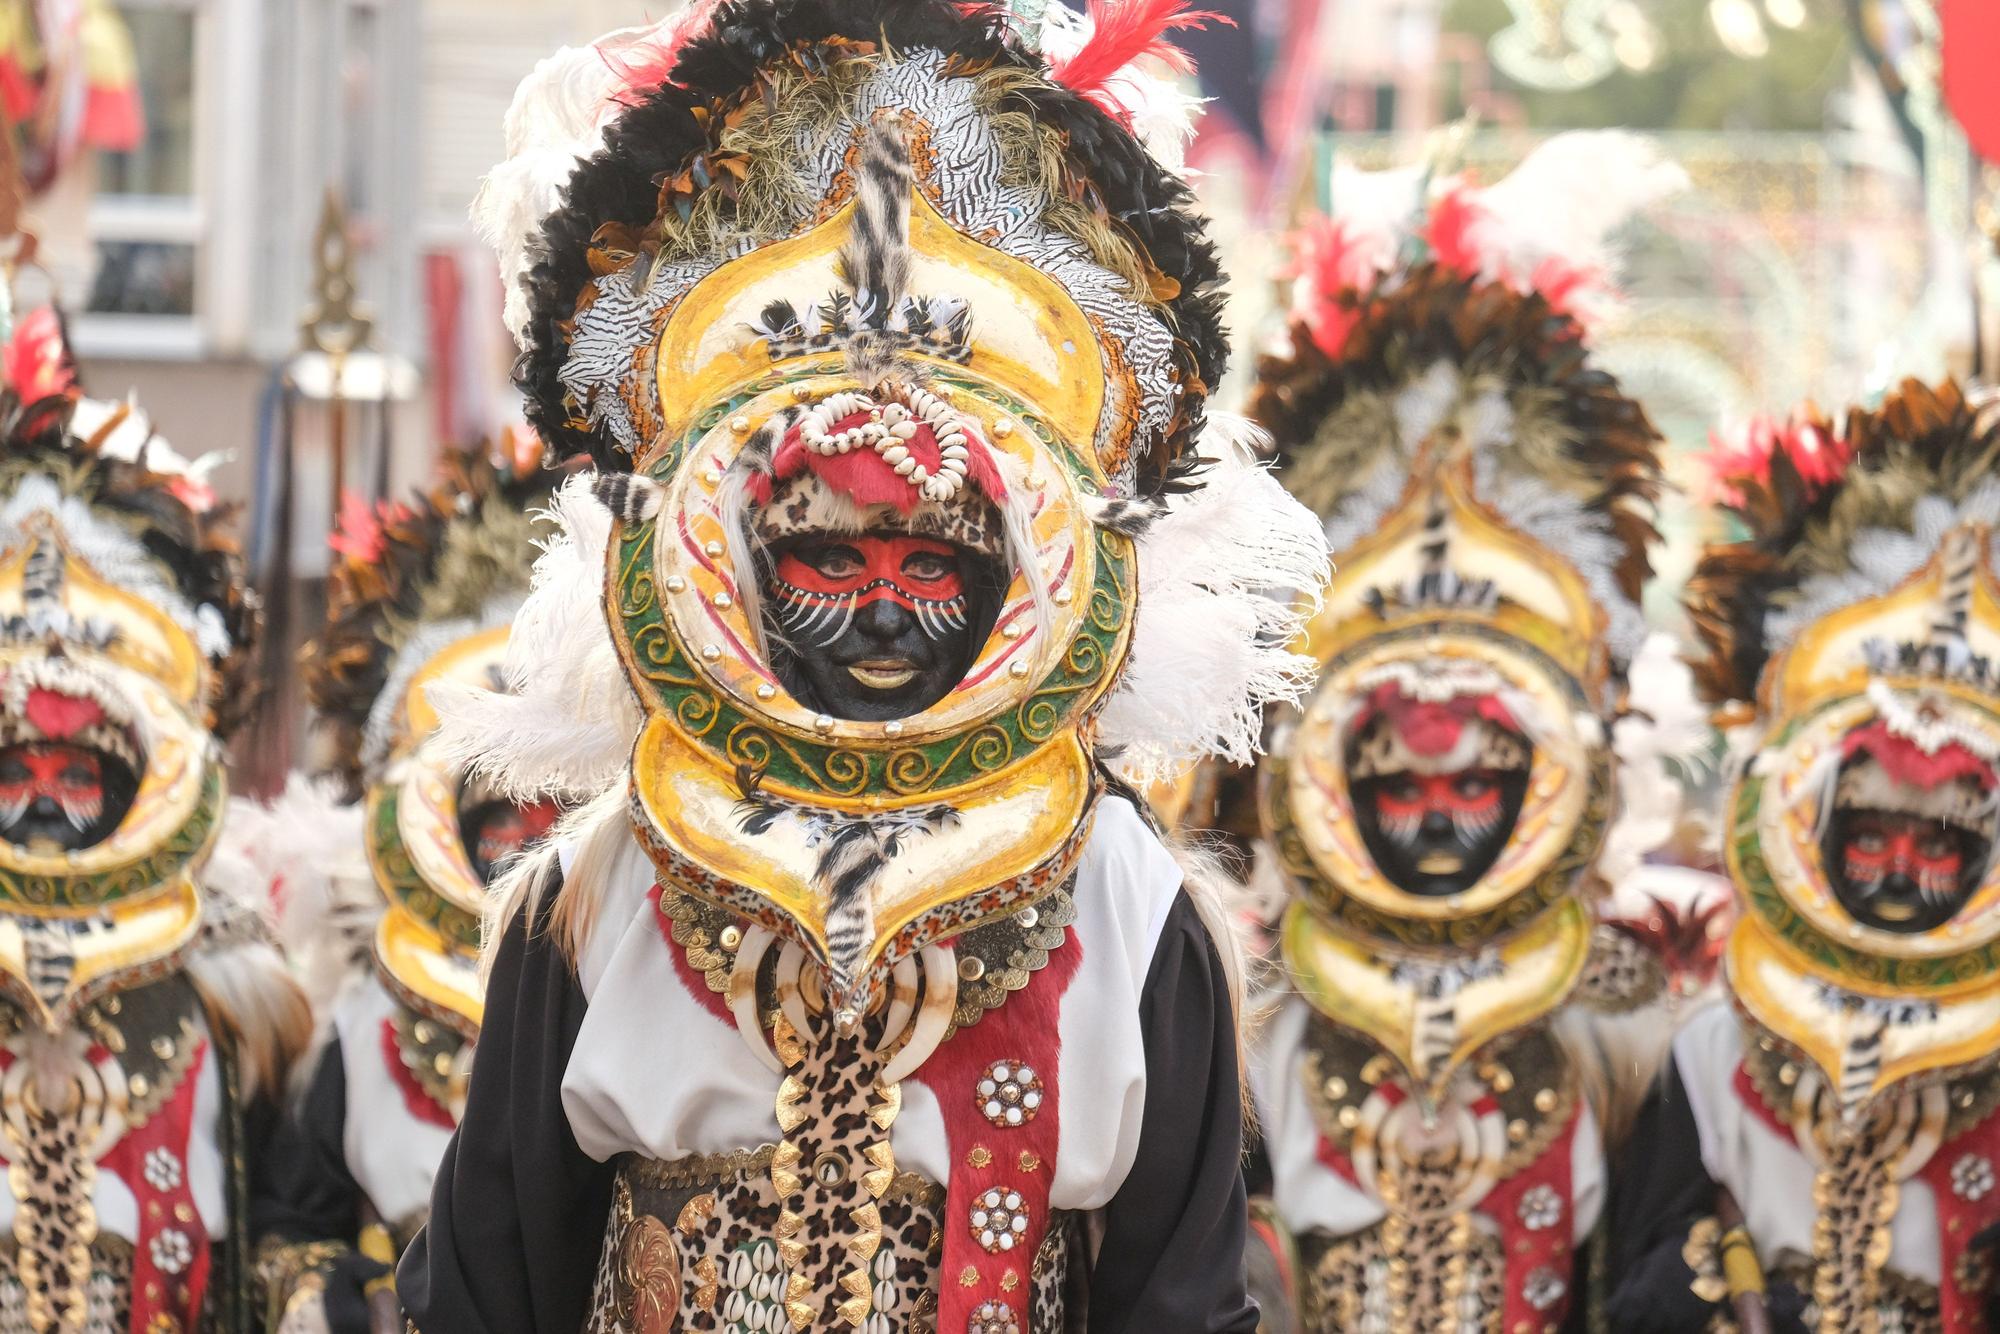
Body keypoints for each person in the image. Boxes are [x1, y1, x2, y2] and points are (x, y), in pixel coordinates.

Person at [397, 1, 1329, 1330]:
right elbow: (487, 1293)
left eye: (936, 562)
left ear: (1021, 575)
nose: (888, 609)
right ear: (735, 565)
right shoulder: (590, 892)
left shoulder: (1128, 903)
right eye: (833, 563)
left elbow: (1180, 1303)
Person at [1240, 134, 1699, 1333]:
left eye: (1474, 777)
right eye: (1397, 786)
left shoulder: (1626, 1021)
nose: (1439, 813)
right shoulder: (1244, 1009)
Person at [1607, 377, 2000, 1332]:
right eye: (1869, 834)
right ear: (1812, 827)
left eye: (1938, 840)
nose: (1901, 866)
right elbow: (1634, 1289)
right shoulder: (1714, 1051)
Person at [0, 300, 309, 1329]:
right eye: (17, 768)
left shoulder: (227, 995)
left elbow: (282, 1227)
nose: (43, 798)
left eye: (76, 771)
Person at [250, 441, 559, 1332]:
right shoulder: (365, 1022)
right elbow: (290, 1227)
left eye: (558, 811)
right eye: (504, 813)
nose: (533, 841)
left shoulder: (650, 983)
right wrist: (335, 1300)